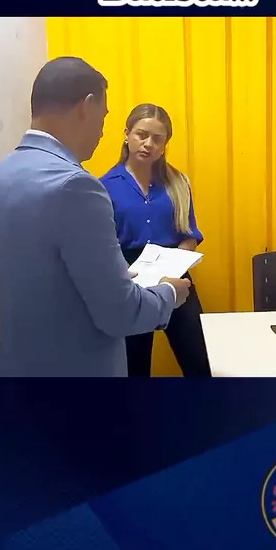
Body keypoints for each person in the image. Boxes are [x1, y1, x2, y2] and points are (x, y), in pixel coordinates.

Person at [0, 58, 190, 377]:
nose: (102, 132)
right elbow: (121, 313)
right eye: (104, 117)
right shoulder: (78, 187)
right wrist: (170, 293)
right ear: (87, 106)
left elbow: (47, 277)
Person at [101, 104, 211, 377]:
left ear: (164, 145)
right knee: (134, 365)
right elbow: (103, 244)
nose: (148, 144)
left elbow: (189, 234)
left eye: (157, 139)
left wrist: (173, 267)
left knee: (200, 359)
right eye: (141, 134)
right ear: (127, 135)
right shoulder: (104, 186)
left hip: (175, 274)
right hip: (130, 279)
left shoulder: (178, 183)